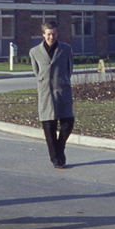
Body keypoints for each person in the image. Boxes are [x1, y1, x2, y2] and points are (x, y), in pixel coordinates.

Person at [29, 21, 74, 169]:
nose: (51, 37)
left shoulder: (66, 49)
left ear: (57, 34)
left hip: (63, 91)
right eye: (48, 34)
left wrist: (62, 81)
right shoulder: (34, 52)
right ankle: (56, 158)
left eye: (54, 34)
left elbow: (69, 69)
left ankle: (60, 148)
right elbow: (37, 72)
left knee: (68, 122)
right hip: (46, 93)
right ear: (43, 35)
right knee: (49, 127)